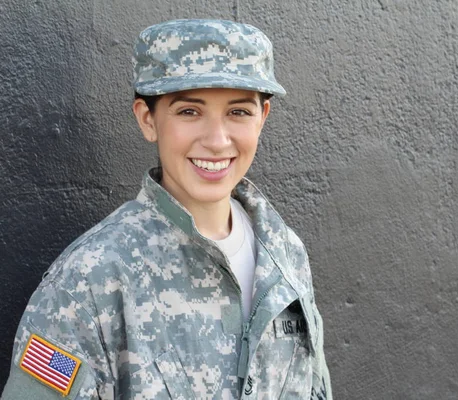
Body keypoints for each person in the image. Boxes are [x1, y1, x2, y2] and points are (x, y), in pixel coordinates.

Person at [2, 19, 331, 399]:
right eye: (189, 112)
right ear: (148, 119)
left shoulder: (285, 257)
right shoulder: (87, 282)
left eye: (238, 112)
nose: (217, 139)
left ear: (263, 118)